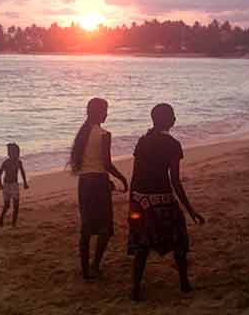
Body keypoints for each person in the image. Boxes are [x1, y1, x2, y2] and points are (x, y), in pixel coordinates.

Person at [127, 103, 205, 301]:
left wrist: (132, 202)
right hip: (163, 200)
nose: (175, 119)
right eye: (172, 116)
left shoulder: (142, 141)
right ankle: (184, 284)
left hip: (141, 200)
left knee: (143, 247)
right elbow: (175, 181)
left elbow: (135, 176)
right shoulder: (173, 145)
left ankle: (135, 288)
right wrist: (190, 210)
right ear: (166, 120)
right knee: (179, 243)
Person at [69, 98, 128, 279]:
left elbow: (84, 164)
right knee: (106, 229)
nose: (107, 114)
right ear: (99, 112)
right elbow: (107, 164)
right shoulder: (104, 134)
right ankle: (95, 265)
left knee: (86, 228)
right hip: (99, 182)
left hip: (84, 183)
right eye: (105, 110)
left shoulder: (82, 134)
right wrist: (122, 178)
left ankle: (85, 270)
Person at [0, 143, 28, 227]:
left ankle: (14, 224)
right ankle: (1, 219)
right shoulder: (5, 163)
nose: (16, 155)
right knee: (7, 206)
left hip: (15, 185)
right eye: (13, 153)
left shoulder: (19, 162)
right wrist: (0, 185)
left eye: (17, 153)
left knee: (16, 206)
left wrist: (25, 182)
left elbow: (22, 172)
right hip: (6, 186)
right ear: (9, 154)